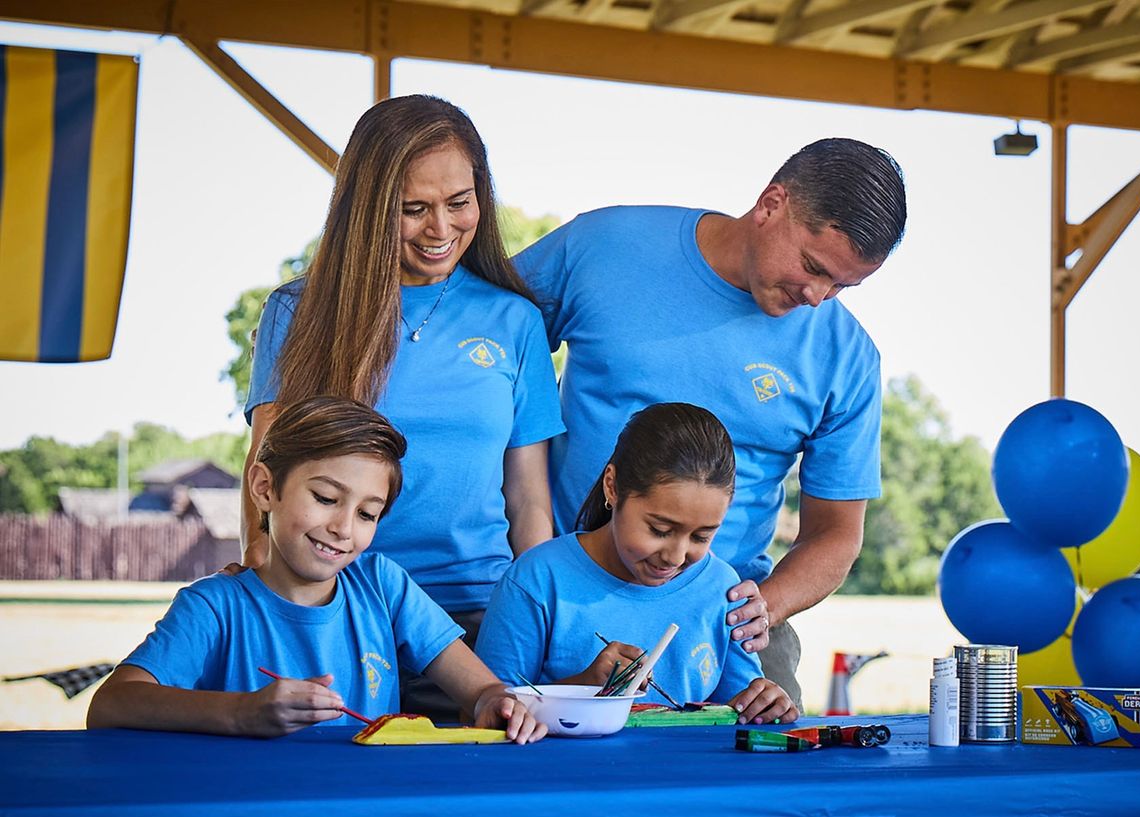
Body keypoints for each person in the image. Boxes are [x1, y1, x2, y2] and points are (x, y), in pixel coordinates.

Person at [514, 138, 907, 706]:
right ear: (772, 204)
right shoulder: (604, 246)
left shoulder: (848, 357)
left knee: (767, 773)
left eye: (844, 286)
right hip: (562, 593)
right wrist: (527, 548)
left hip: (728, 621)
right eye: (814, 267)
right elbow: (487, 350)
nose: (818, 297)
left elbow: (836, 534)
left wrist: (759, 608)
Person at [242, 95, 564, 720]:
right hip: (340, 608)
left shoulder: (514, 319)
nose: (440, 229)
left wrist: (542, 615)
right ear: (367, 208)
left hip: (480, 622)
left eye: (459, 203)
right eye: (413, 209)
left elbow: (529, 500)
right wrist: (265, 568)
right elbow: (264, 468)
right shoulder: (296, 312)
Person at [88, 397, 546, 743]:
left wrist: (497, 703)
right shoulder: (215, 605)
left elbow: (481, 691)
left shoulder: (383, 585)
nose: (343, 528)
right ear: (265, 488)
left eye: (367, 514)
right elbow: (110, 704)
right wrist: (242, 714)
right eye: (326, 498)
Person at [475, 403, 799, 725]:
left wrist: (765, 704)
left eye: (701, 536)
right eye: (659, 530)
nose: (675, 556)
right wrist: (585, 685)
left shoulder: (724, 590)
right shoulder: (536, 580)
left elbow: (740, 710)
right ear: (613, 487)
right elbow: (488, 712)